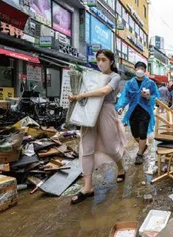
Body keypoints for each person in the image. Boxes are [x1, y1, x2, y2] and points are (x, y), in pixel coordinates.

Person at [68, 49, 126, 205]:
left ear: (111, 62)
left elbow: (104, 91)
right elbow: (84, 90)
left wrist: (82, 95)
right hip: (88, 111)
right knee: (86, 147)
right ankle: (87, 187)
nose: (100, 63)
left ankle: (120, 167)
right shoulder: (91, 77)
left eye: (103, 60)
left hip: (106, 111)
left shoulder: (115, 77)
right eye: (98, 60)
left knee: (111, 146)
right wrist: (75, 96)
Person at [116, 61, 159, 165]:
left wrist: (149, 97)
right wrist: (120, 106)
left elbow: (156, 96)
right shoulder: (129, 83)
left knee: (143, 133)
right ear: (135, 69)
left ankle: (139, 155)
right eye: (138, 68)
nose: (140, 70)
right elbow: (125, 96)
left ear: (145, 71)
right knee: (135, 134)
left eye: (142, 68)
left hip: (145, 111)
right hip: (133, 111)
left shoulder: (150, 83)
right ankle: (143, 146)